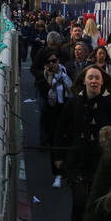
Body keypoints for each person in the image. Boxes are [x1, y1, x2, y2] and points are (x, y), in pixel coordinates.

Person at [56, 65, 111, 221]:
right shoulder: (73, 103)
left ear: (102, 81)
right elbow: (60, 130)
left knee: (96, 209)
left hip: (101, 164)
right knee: (79, 205)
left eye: (96, 78)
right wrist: (57, 157)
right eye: (90, 77)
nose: (93, 81)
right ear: (84, 81)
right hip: (77, 163)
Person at [41, 52, 72, 187]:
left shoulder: (66, 73)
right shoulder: (45, 77)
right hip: (52, 112)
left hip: (66, 108)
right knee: (55, 141)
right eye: (49, 62)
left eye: (54, 61)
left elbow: (72, 88)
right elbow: (45, 92)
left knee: (68, 139)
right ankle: (57, 173)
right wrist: (49, 77)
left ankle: (68, 170)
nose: (52, 64)